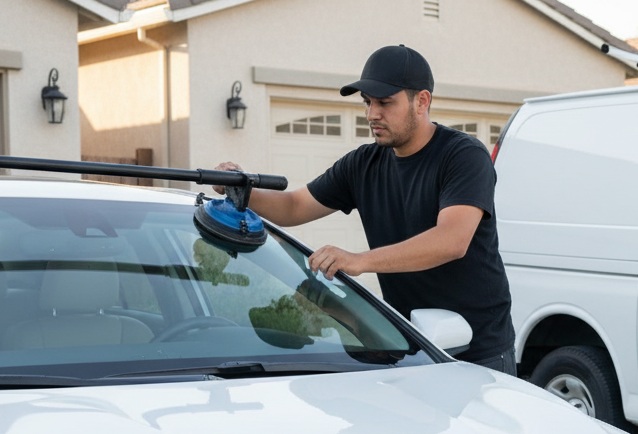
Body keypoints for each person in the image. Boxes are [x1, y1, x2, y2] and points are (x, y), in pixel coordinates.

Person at [215, 45, 515, 373]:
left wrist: (360, 261)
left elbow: (452, 240)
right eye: (368, 102)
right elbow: (295, 206)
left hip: (477, 352)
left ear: (422, 101)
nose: (372, 114)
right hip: (408, 346)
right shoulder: (363, 164)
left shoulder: (463, 156)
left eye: (385, 102)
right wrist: (242, 188)